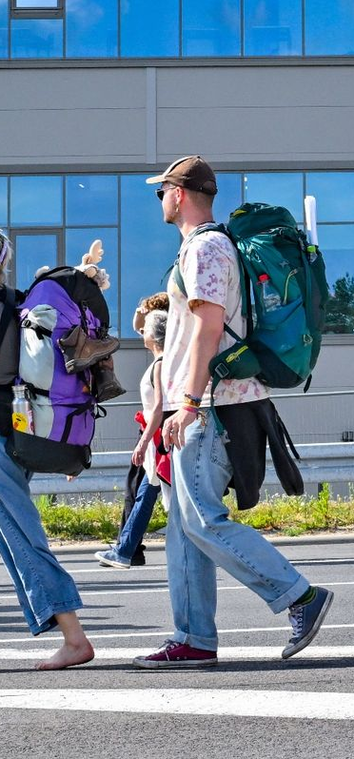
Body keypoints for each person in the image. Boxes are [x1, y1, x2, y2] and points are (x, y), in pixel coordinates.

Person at [134, 155, 332, 669]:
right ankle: (194, 638)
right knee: (184, 527)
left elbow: (208, 328)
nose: (159, 200)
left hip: (212, 407)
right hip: (201, 403)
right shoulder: (202, 248)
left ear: (179, 194)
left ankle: (299, 595)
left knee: (202, 520)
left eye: (162, 191)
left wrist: (188, 403)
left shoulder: (206, 248)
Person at [0, 228, 95, 670]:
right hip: (21, 434)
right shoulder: (19, 304)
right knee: (15, 535)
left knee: (22, 536)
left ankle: (75, 638)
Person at [95, 305, 171, 569]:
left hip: (158, 440)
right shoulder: (162, 360)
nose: (141, 333)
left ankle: (125, 550)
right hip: (158, 439)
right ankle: (125, 550)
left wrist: (143, 442)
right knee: (147, 495)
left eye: (145, 330)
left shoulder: (160, 365)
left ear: (154, 335)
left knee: (149, 496)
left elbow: (159, 409)